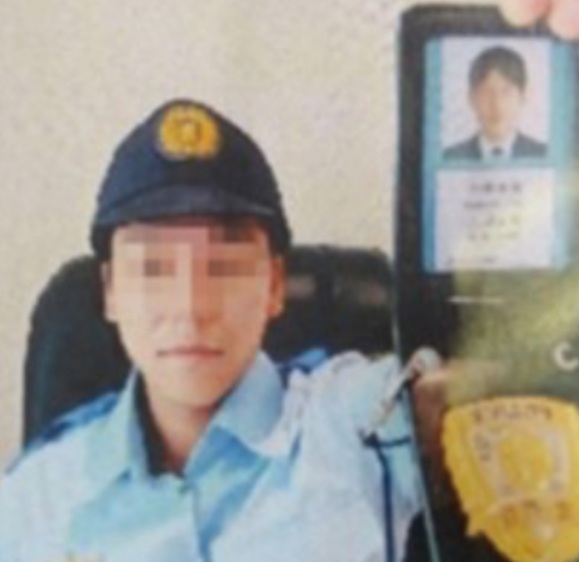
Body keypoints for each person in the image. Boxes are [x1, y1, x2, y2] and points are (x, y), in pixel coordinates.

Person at [0, 99, 421, 562]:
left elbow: (463, 384)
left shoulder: (357, 422)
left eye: (223, 267)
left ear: (275, 285)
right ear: (111, 291)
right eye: (154, 268)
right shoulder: (35, 497)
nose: (190, 308)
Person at [444, 45, 547, 161]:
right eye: (486, 92)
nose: (497, 104)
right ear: (471, 98)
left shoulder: (543, 155)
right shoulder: (450, 157)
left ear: (523, 96)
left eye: (506, 92)